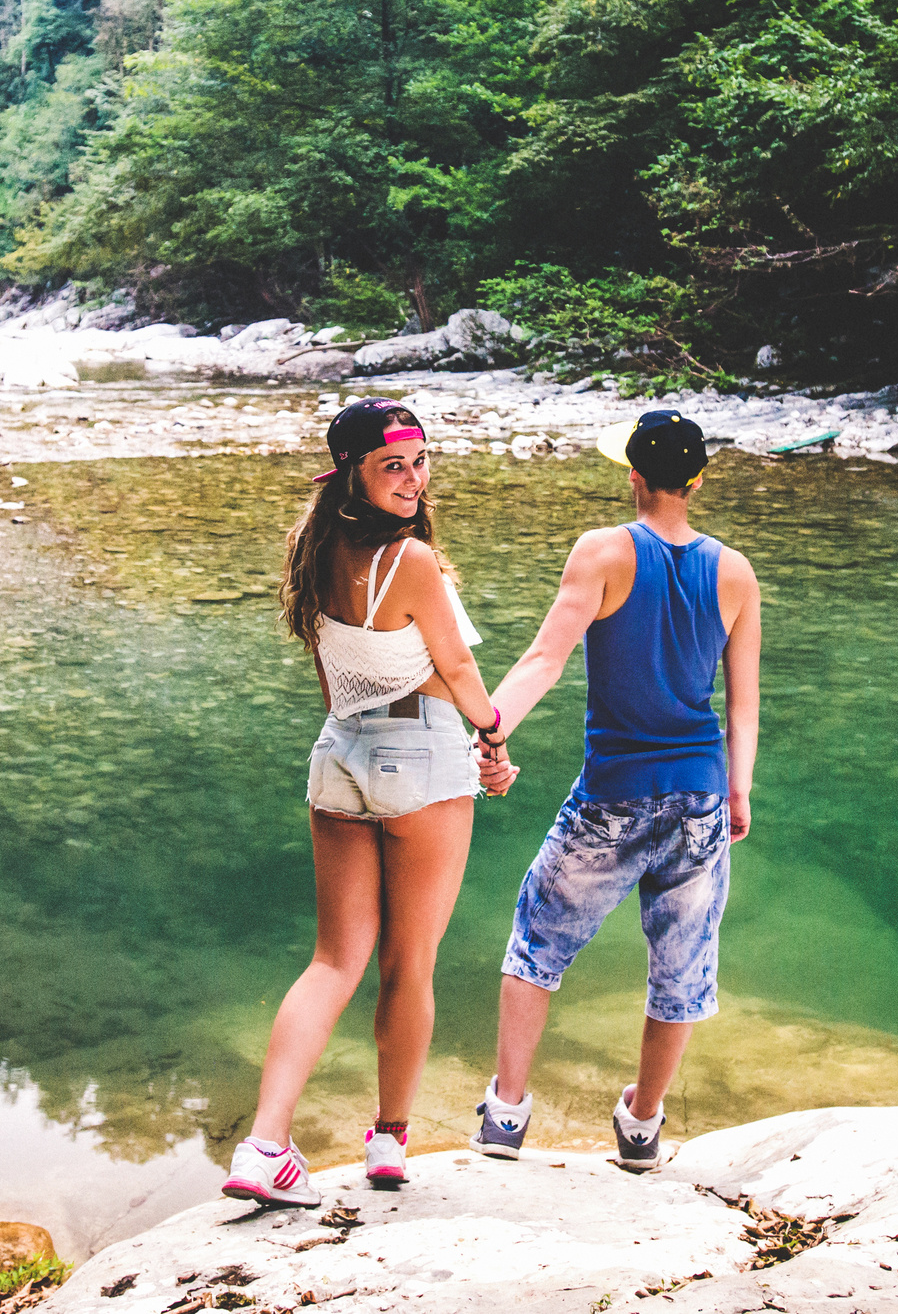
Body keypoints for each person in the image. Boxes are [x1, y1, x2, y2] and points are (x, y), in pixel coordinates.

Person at [222, 398, 514, 1207]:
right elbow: (458, 670)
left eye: (420, 462)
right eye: (393, 466)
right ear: (353, 472)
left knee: (332, 961)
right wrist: (493, 740)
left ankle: (264, 1146)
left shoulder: (313, 548)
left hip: (340, 754)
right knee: (408, 965)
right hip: (421, 755)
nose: (414, 479)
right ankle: (388, 1140)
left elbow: (335, 682)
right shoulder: (411, 560)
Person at [468, 409, 761, 1172]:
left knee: (537, 938)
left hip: (613, 794)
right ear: (697, 480)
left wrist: (490, 728)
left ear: (633, 476)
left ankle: (506, 1113)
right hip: (699, 793)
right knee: (681, 967)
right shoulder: (735, 571)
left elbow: (544, 658)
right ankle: (642, 1124)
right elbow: (743, 703)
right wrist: (738, 789)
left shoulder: (602, 553)